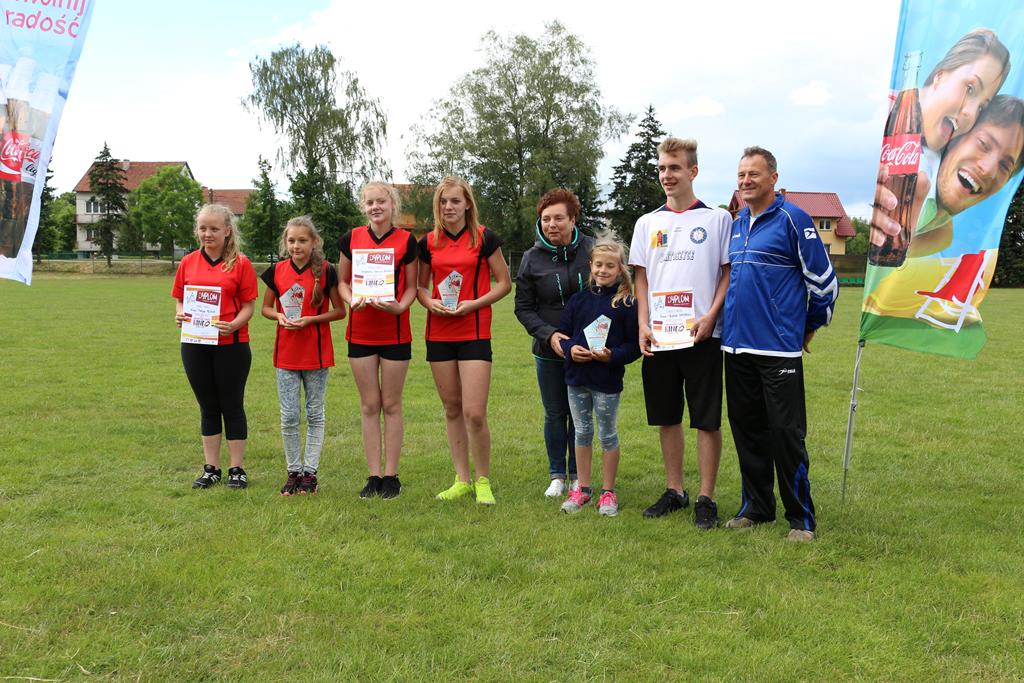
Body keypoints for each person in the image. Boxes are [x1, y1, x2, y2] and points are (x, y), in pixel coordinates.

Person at [722, 146, 838, 542]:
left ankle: (801, 518)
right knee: (747, 431)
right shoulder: (737, 222)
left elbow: (824, 282)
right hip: (735, 348)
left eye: (753, 174)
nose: (745, 181)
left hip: (777, 351)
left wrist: (810, 326)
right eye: (741, 174)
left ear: (773, 178)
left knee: (786, 434)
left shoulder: (794, 219)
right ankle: (756, 508)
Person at [628, 137, 732, 529]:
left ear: (693, 171)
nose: (667, 175)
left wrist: (711, 316)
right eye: (662, 168)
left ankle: (706, 497)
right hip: (660, 336)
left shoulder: (717, 219)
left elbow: (727, 274)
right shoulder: (647, 223)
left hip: (703, 336)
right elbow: (641, 278)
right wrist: (642, 323)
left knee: (706, 419)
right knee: (667, 416)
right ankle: (675, 491)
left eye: (674, 167)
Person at [417, 176, 512, 504]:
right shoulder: (428, 242)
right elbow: (421, 287)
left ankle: (483, 480)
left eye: (455, 201)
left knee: (474, 413)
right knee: (452, 408)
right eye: (443, 202)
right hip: (439, 334)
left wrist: (474, 304)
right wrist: (430, 303)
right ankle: (462, 479)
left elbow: (504, 283)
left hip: (474, 332)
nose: (449, 207)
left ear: (468, 204)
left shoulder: (484, 237)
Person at [871, 29, 1010, 246]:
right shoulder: (882, 113)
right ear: (940, 75)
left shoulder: (941, 164)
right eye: (970, 89)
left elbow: (942, 235)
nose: (971, 114)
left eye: (981, 107)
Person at [337, 182, 419, 499]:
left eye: (381, 201)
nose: (375, 207)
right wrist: (352, 299)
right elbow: (343, 282)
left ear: (392, 204)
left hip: (395, 333)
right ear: (364, 207)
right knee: (370, 405)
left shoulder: (406, 240)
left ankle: (391, 476)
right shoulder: (351, 238)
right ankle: (373, 475)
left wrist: (400, 307)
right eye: (370, 202)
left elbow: (411, 287)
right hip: (360, 333)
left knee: (392, 404)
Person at [514, 188, 595, 498]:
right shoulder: (531, 258)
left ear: (573, 219)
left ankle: (578, 475)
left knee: (580, 414)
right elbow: (523, 308)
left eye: (559, 218)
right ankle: (557, 475)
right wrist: (549, 335)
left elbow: (611, 292)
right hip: (548, 352)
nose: (552, 224)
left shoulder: (592, 249)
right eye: (546, 219)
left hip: (587, 350)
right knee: (555, 413)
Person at [172, 204, 259, 490]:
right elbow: (181, 299)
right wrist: (180, 314)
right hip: (195, 344)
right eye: (202, 228)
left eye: (214, 229)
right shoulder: (188, 262)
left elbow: (248, 307)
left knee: (232, 406)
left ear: (227, 231)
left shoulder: (241, 264)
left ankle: (237, 468)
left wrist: (233, 325)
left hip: (231, 345)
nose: (207, 234)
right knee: (208, 406)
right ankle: (211, 469)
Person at [260, 216, 345, 496]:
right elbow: (266, 308)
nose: (296, 246)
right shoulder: (277, 271)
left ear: (314, 242)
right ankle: (293, 471)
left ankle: (310, 473)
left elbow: (340, 311)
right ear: (285, 242)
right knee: (289, 415)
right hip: (286, 354)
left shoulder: (327, 271)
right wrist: (279, 316)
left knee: (314, 413)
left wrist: (311, 320)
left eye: (302, 240)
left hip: (316, 355)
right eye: (292, 240)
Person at [556, 237, 640, 516]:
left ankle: (608, 492)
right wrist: (571, 349)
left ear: (620, 269)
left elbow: (634, 346)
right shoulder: (578, 300)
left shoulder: (627, 304)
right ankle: (582, 488)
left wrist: (612, 355)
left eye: (610, 266)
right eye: (599, 265)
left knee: (607, 434)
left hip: (607, 382)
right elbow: (563, 336)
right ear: (591, 265)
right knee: (582, 432)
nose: (603, 270)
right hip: (576, 378)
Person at [910, 94, 1024, 256]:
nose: (988, 170)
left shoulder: (941, 234)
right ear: (956, 136)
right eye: (983, 143)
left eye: (1005, 166)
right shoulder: (910, 172)